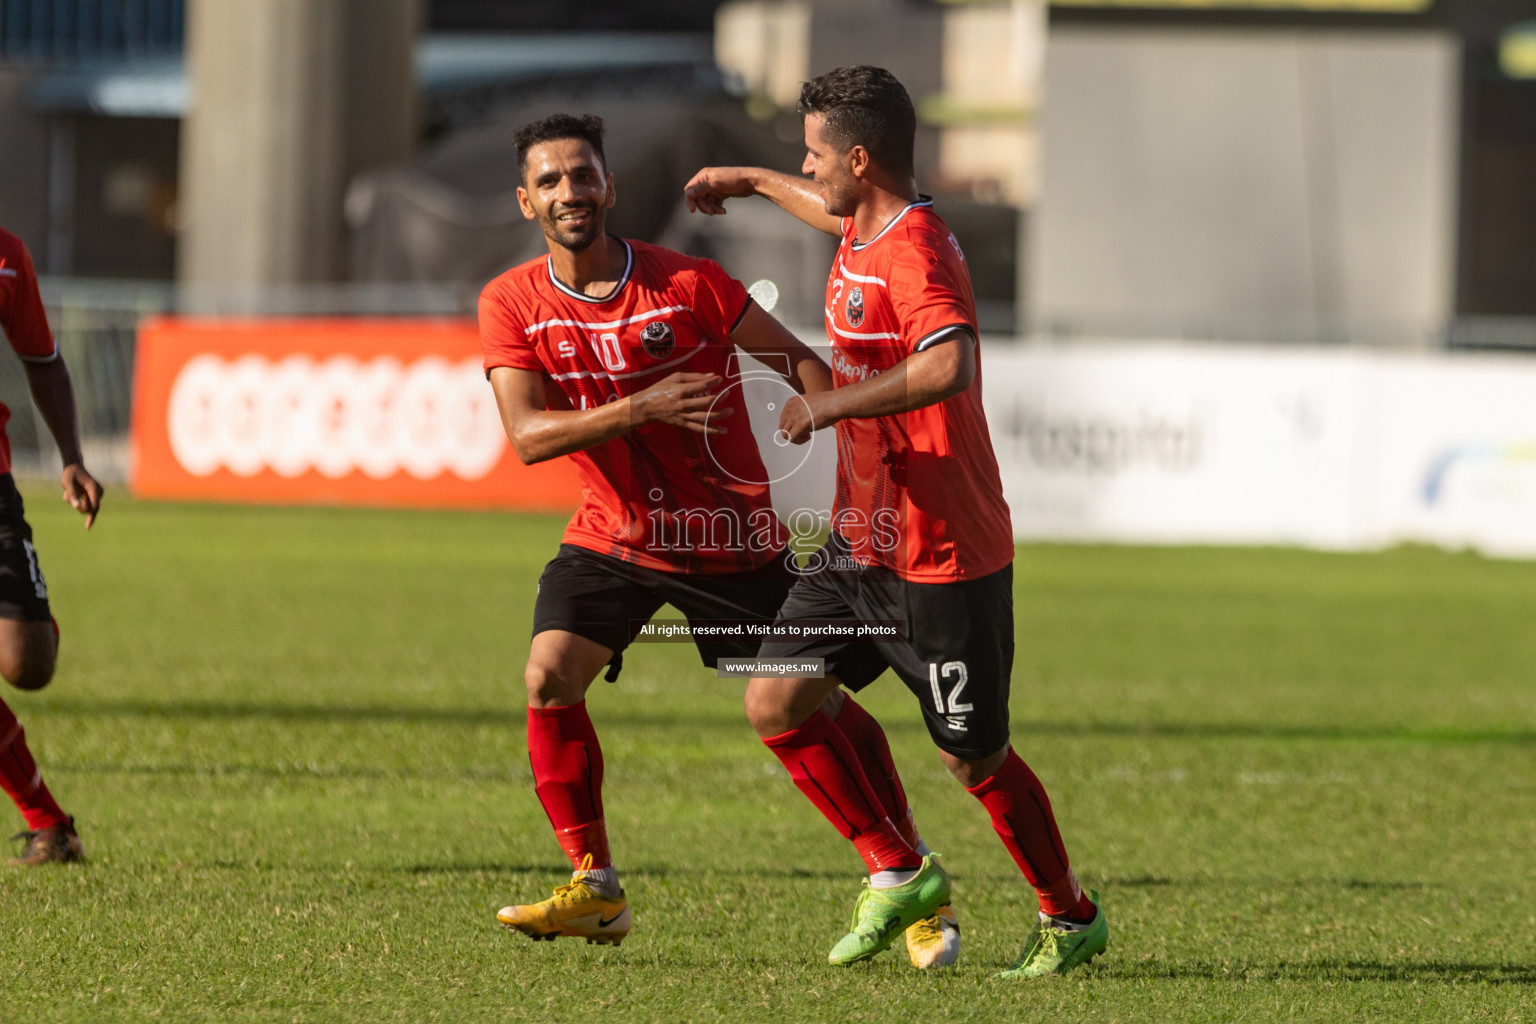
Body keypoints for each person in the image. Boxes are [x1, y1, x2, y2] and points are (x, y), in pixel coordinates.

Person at [479, 113, 960, 968]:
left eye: (582, 175)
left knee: (811, 703)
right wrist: (640, 410)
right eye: (550, 182)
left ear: (609, 187)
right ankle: (595, 886)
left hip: (730, 544)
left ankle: (907, 880)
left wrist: (844, 446)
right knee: (549, 676)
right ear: (526, 202)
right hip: (613, 537)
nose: (569, 193)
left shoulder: (689, 284)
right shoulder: (510, 301)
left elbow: (801, 365)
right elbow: (526, 435)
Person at [683, 66, 1108, 976]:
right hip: (860, 540)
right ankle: (898, 868)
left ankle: (1069, 916)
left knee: (975, 757)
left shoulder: (917, 253)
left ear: (862, 158)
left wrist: (831, 407)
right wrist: (753, 181)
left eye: (814, 154)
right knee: (776, 696)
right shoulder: (862, 223)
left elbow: (948, 364)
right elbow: (827, 208)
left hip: (943, 555)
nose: (808, 167)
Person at [0, 227, 104, 866]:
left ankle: (32, 617)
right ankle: (50, 825)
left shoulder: (8, 257)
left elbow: (42, 359)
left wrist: (72, 457)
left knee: (28, 665)